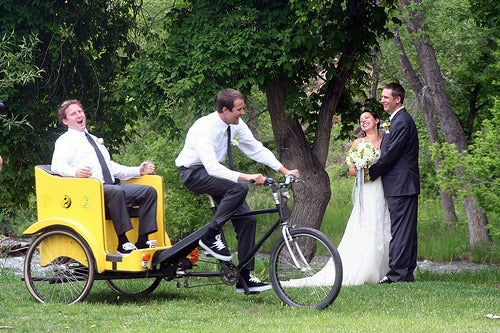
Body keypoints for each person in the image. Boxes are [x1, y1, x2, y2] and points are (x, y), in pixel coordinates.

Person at [175, 88, 300, 293]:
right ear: (224, 110)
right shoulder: (203, 128)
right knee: (239, 187)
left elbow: (255, 148)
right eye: (239, 109)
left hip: (215, 173)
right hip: (194, 173)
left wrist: (285, 170)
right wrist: (248, 176)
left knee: (248, 220)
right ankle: (211, 235)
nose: (242, 113)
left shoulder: (236, 125)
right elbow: (211, 167)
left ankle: (245, 278)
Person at [51, 100, 158, 255]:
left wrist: (138, 170)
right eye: (73, 114)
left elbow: (110, 167)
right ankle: (123, 242)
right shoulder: (64, 141)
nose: (79, 115)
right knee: (116, 192)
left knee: (149, 192)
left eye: (80, 111)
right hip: (90, 191)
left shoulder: (94, 139)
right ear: (65, 121)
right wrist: (76, 172)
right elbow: (57, 166)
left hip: (111, 186)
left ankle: (143, 240)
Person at [369, 83, 420, 284]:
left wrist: (371, 172)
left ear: (397, 99)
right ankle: (405, 273)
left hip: (402, 184)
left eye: (386, 97)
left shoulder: (402, 122)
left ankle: (397, 274)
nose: (382, 100)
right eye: (382, 97)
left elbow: (391, 155)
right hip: (401, 184)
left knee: (400, 229)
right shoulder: (396, 120)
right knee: (405, 229)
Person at [337, 110, 391, 285]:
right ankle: (364, 269)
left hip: (383, 187)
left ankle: (385, 270)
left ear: (376, 120)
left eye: (366, 118)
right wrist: (363, 169)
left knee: (383, 223)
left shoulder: (385, 142)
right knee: (366, 223)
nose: (363, 121)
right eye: (361, 120)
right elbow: (352, 170)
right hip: (367, 189)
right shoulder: (359, 142)